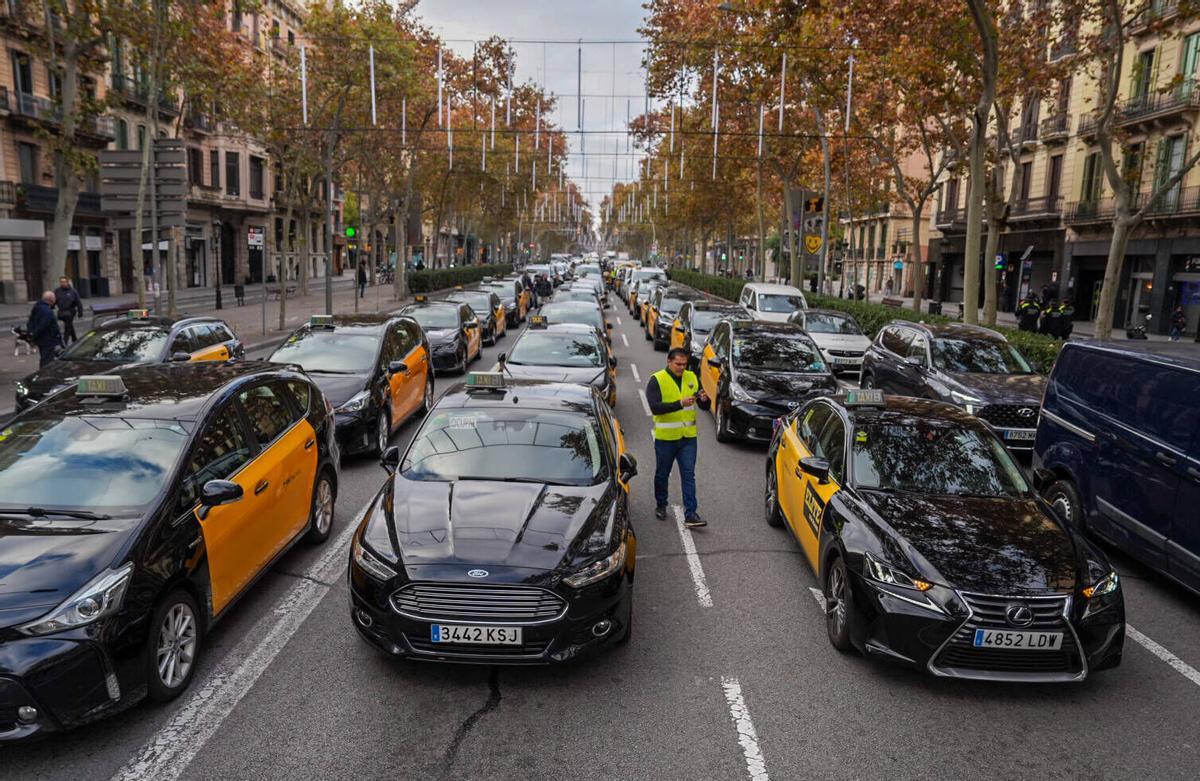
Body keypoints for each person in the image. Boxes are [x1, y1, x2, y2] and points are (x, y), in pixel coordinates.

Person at [647, 348, 709, 528]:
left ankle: (691, 514)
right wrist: (679, 404)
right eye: (678, 364)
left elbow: (704, 406)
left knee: (688, 475)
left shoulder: (691, 377)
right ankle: (661, 504)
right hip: (666, 439)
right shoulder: (656, 379)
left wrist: (704, 400)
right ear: (669, 361)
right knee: (662, 474)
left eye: (684, 364)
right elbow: (655, 408)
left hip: (688, 438)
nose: (682, 368)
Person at [27, 290, 62, 367]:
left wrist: (32, 335)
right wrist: (34, 335)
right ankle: (44, 375)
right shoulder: (47, 311)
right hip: (48, 339)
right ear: (52, 300)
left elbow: (30, 322)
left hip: (42, 339)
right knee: (47, 360)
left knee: (46, 358)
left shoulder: (37, 307)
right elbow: (43, 325)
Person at [54, 275, 83, 345]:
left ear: (67, 282)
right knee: (69, 325)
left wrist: (80, 312)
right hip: (61, 311)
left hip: (70, 311)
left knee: (67, 325)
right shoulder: (57, 291)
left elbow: (78, 302)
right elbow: (54, 301)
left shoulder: (73, 291)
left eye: (64, 282)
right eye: (61, 282)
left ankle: (65, 342)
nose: (62, 283)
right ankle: (74, 339)